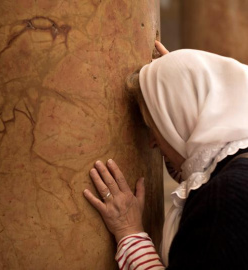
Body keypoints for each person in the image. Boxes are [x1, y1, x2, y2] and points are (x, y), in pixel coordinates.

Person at [83, 41, 248, 269]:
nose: (152, 142)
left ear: (182, 118)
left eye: (155, 126)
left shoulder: (223, 200)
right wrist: (178, 84)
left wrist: (130, 234)